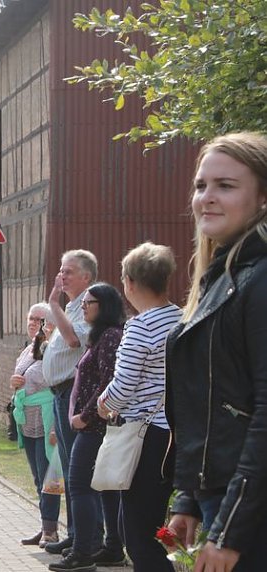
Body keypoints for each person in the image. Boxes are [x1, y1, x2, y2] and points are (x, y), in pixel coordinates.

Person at [164, 132, 267, 572]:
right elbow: (209, 403)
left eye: (226, 186)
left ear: (262, 198)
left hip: (250, 513)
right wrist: (188, 496)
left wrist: (227, 531)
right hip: (225, 501)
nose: (206, 197)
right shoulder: (222, 276)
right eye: (201, 185)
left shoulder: (259, 279)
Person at [97, 242, 181, 571]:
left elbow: (123, 385)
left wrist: (104, 404)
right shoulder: (183, 317)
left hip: (147, 437)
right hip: (176, 432)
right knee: (146, 524)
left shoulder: (140, 328)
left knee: (137, 534)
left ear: (129, 282)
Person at [49, 283, 126, 572]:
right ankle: (113, 548)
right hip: (95, 426)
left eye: (89, 302)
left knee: (80, 485)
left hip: (95, 427)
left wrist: (87, 415)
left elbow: (109, 382)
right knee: (105, 488)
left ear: (104, 305)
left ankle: (83, 552)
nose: (84, 306)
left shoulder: (110, 337)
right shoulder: (101, 336)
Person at [42, 249, 98, 555]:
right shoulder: (73, 306)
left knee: (78, 471)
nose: (62, 276)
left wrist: (52, 304)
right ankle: (75, 533)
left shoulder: (88, 306)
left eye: (69, 272)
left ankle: (87, 538)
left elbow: (75, 340)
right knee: (67, 466)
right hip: (59, 395)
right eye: (61, 271)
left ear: (86, 277)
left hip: (72, 394)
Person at [11, 303, 60, 548]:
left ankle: (51, 530)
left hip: (47, 417)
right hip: (28, 419)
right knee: (36, 476)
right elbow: (19, 378)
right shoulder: (27, 350)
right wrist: (14, 382)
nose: (33, 323)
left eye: (38, 319)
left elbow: (54, 382)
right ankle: (44, 525)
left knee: (48, 476)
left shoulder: (54, 349)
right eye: (30, 318)